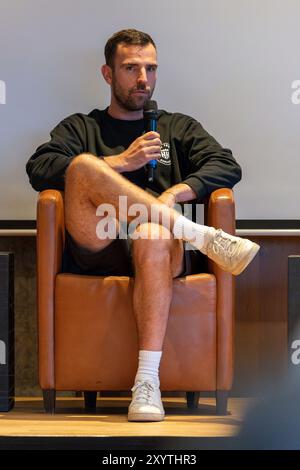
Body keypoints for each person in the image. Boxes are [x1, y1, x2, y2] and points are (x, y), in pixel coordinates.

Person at [26, 29, 259, 422]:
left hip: (158, 250)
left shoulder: (176, 127)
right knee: (82, 166)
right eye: (131, 67)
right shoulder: (83, 128)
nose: (143, 79)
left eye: (150, 68)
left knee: (152, 232)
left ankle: (146, 383)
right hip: (99, 243)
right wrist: (121, 163)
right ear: (107, 74)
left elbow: (227, 165)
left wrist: (175, 195)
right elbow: (39, 168)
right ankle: (198, 235)